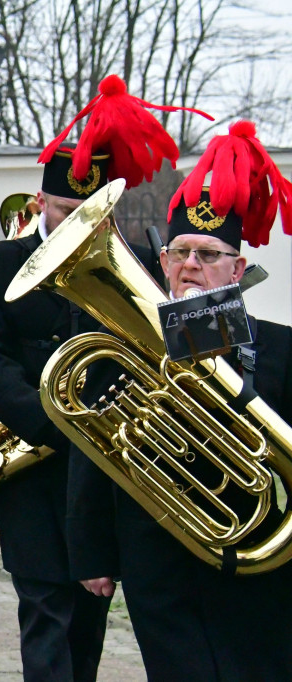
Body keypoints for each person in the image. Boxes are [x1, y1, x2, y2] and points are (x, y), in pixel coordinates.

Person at [0, 75, 192, 681]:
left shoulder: (129, 261)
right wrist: (60, 426)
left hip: (106, 469)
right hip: (35, 462)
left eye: (93, 216)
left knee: (91, 615)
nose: (79, 227)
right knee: (44, 609)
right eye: (68, 213)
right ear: (40, 202)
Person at [67, 121, 292, 682]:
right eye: (181, 252)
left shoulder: (284, 347)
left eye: (208, 254)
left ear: (237, 270)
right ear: (163, 262)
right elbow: (93, 453)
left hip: (260, 556)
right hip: (157, 550)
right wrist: (93, 552)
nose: (191, 264)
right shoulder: (120, 348)